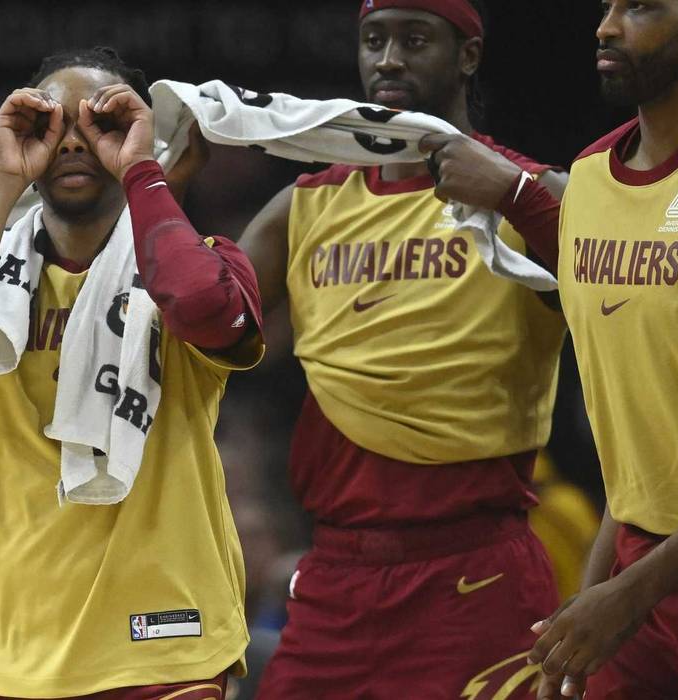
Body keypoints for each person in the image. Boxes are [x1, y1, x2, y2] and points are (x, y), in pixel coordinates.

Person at [0, 46, 263, 699]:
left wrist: (145, 170)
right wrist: (3, 175)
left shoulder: (205, 264)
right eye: (50, 123)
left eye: (102, 124)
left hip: (160, 646)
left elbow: (202, 306)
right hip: (5, 645)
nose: (71, 141)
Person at [235, 1, 571, 697]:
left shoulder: (525, 189)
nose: (387, 59)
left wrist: (513, 194)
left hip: (473, 572)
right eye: (372, 40)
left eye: (413, 40)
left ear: (467, 56)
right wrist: (163, 178)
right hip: (334, 577)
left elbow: (623, 287)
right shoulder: (308, 202)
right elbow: (197, 322)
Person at [523, 0, 678, 697]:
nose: (605, 27)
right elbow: (635, 451)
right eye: (605, 7)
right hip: (639, 563)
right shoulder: (589, 178)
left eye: (640, 7)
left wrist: (623, 597)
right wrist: (585, 612)